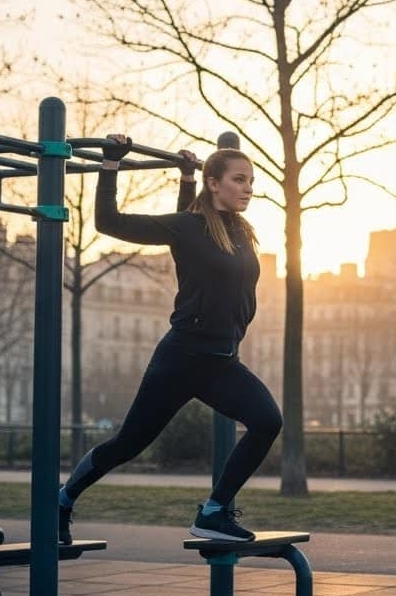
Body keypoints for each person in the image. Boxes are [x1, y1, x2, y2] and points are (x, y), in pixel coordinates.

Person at [57, 134, 281, 544]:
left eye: (251, 180)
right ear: (215, 183)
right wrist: (110, 166)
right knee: (128, 444)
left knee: (268, 421)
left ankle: (214, 512)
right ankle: (63, 499)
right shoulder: (188, 226)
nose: (248, 188)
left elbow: (194, 244)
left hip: (221, 362)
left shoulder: (240, 231)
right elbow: (110, 222)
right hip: (181, 359)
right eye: (239, 179)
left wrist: (186, 178)